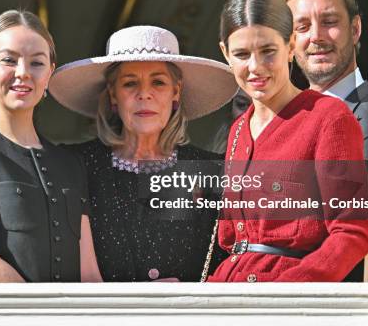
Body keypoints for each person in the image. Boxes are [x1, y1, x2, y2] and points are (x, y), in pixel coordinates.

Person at [208, 0, 368, 282]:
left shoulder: (329, 117)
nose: (255, 67)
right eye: (241, 54)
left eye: (268, 51)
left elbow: (353, 231)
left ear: (291, 44)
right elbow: (231, 238)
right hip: (225, 296)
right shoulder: (237, 131)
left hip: (288, 300)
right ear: (225, 54)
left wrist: (288, 295)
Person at [49, 25, 239, 281]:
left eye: (158, 82)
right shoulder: (76, 165)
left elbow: (230, 263)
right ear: (113, 96)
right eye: (130, 84)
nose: (144, 94)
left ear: (176, 92)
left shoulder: (214, 171)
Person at [0, 10, 102, 282]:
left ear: (50, 71)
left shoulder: (70, 163)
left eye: (37, 63)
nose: (23, 73)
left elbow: (89, 274)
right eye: (8, 60)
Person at [283, 0, 368, 156]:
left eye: (329, 22)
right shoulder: (281, 122)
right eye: (302, 27)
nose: (316, 36)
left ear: (355, 30)